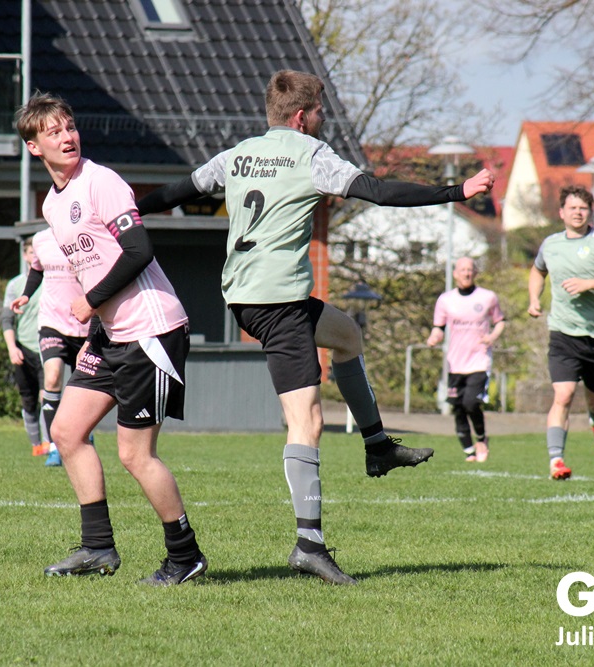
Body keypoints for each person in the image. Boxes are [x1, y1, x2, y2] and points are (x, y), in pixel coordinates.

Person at [136, 69, 494, 584]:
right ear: (302, 117)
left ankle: (377, 446)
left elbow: (176, 190)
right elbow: (377, 191)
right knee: (306, 420)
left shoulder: (238, 154)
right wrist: (456, 190)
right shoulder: (311, 155)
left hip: (250, 294)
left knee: (347, 336)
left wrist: (129, 209)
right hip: (277, 302)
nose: (324, 118)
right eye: (321, 111)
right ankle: (309, 545)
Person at [12, 92, 206, 586]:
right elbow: (90, 264)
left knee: (135, 455)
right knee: (66, 431)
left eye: (70, 126)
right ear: (34, 147)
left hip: (152, 331)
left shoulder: (102, 182)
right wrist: (93, 322)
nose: (67, 136)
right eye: (53, 132)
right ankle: (98, 548)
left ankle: (185, 557)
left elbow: (138, 250)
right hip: (111, 335)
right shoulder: (52, 204)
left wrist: (91, 302)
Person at [527, 184, 594, 480]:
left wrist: (589, 284)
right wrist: (534, 299)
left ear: (590, 212)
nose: (577, 212)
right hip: (563, 333)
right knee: (563, 395)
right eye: (572, 208)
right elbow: (537, 271)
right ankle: (556, 461)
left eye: (583, 208)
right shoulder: (551, 245)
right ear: (561, 212)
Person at [21, 227, 93, 467]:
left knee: (82, 389)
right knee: (52, 379)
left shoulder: (86, 236)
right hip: (51, 322)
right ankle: (54, 446)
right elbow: (37, 270)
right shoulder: (40, 239)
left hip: (84, 325)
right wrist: (26, 295)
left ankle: (84, 434)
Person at [426, 257, 505, 462]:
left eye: (470, 269)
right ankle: (469, 450)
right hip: (455, 363)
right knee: (458, 407)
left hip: (479, 360)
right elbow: (439, 327)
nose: (466, 273)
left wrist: (492, 337)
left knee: (471, 403)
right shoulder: (445, 300)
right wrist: (434, 337)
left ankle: (481, 438)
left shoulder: (487, 297)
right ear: (455, 274)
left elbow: (500, 322)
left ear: (475, 273)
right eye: (462, 270)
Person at [1, 236, 46, 457]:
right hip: (24, 348)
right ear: (25, 256)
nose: (35, 256)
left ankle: (50, 444)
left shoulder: (52, 282)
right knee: (28, 399)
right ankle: (36, 445)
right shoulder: (15, 285)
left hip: (47, 346)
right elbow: (7, 320)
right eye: (31, 252)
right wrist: (12, 348)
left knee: (47, 396)